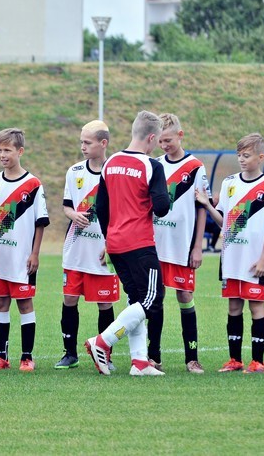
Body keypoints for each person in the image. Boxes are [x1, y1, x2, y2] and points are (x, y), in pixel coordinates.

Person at [85, 110, 169, 377]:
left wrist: (109, 239)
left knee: (136, 299)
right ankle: (103, 341)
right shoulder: (152, 166)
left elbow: (101, 207)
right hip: (140, 243)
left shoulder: (110, 164)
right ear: (152, 138)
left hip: (116, 244)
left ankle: (139, 361)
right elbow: (163, 207)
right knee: (154, 298)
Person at [196, 133, 264, 374]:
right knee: (233, 307)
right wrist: (207, 204)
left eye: (247, 155)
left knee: (256, 307)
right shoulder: (229, 183)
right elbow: (223, 221)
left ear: (260, 157)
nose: (241, 160)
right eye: (239, 155)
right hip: (231, 258)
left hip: (255, 259)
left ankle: (258, 362)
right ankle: (235, 360)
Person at [0, 128, 49, 372]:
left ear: (20, 151)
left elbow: (40, 221)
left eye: (7, 150)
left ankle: (27, 357)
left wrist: (35, 253)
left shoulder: (33, 184)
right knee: (0, 304)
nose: (2, 155)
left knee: (24, 304)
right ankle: (1, 357)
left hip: (21, 258)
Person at [149, 113, 210, 374]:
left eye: (169, 140)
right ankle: (154, 357)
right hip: (155, 244)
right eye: (160, 141)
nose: (164, 145)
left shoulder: (196, 166)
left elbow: (202, 208)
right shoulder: (154, 165)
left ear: (180, 135)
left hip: (182, 245)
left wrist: (198, 246)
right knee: (155, 299)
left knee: (185, 296)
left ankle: (192, 358)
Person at [55, 120, 118, 370]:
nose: (82, 146)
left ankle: (105, 355)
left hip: (103, 251)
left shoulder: (114, 172)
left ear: (103, 144)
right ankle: (70, 354)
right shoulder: (74, 172)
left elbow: (122, 212)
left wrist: (112, 243)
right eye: (81, 141)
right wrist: (73, 215)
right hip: (75, 249)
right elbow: (66, 205)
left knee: (105, 304)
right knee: (69, 299)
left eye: (87, 142)